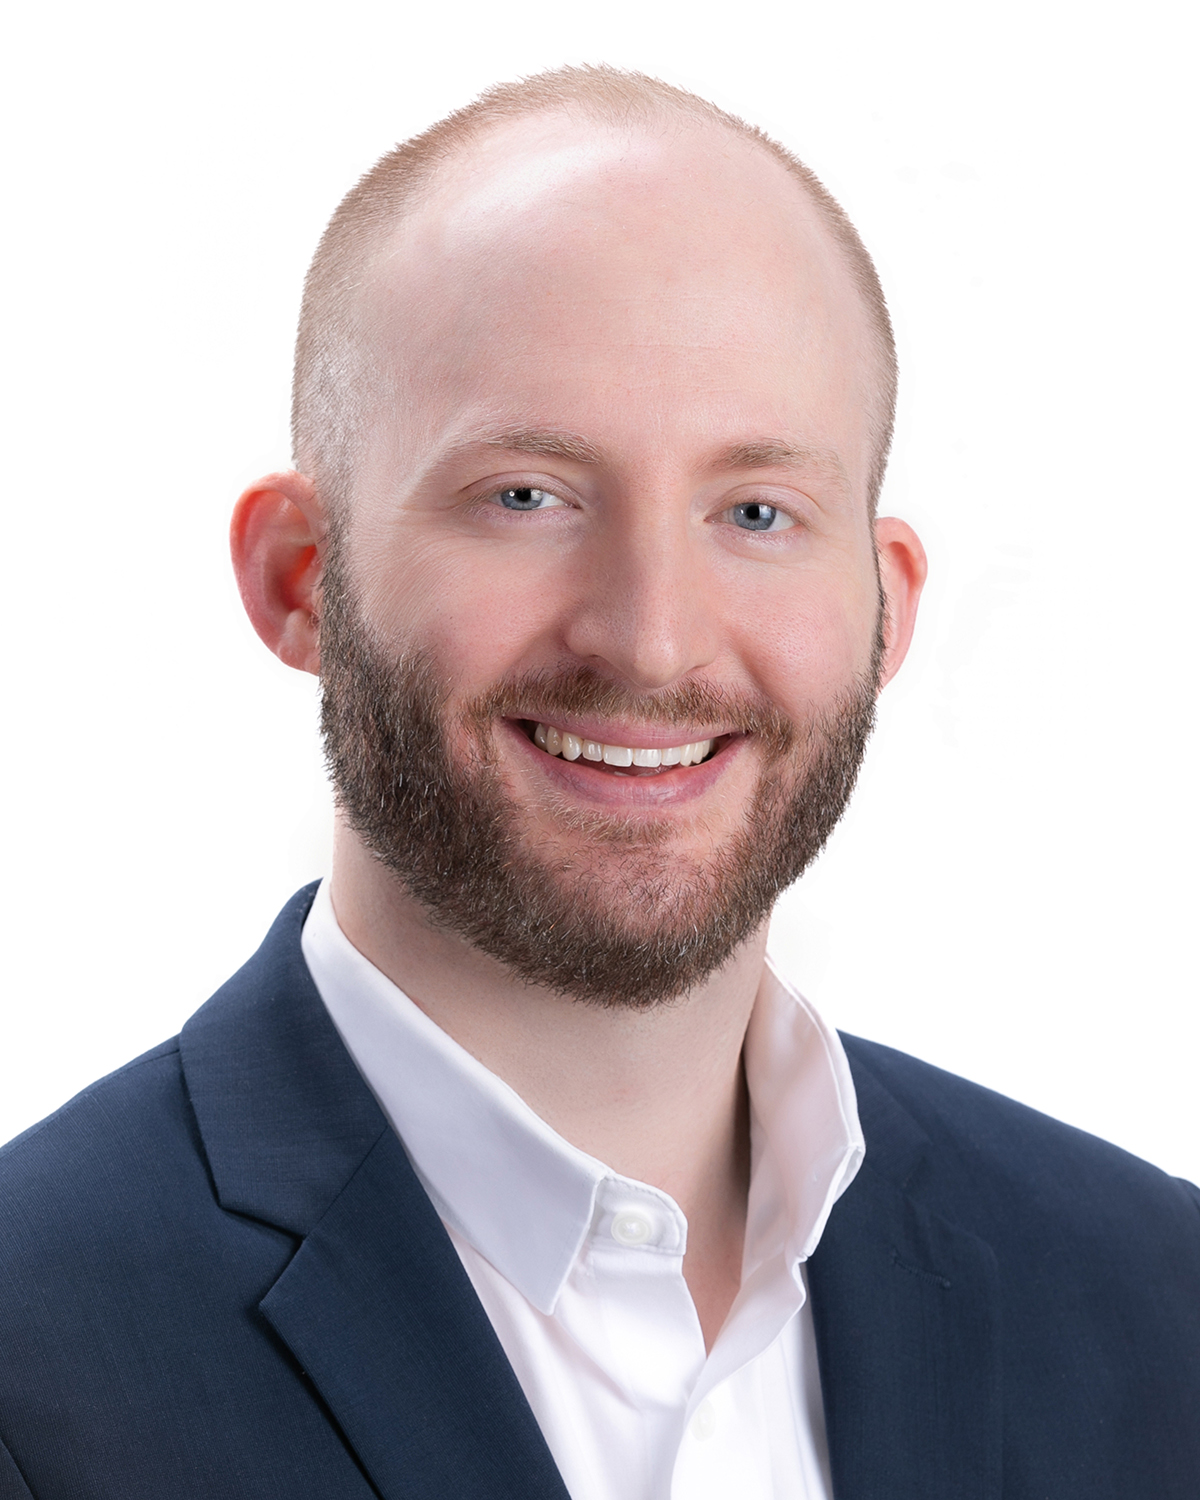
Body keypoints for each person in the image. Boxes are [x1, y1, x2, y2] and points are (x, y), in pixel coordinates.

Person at [0, 64, 1196, 1500]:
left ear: (886, 609)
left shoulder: (1158, 1307)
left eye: (757, 511)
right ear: (300, 577)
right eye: (526, 496)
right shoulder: (32, 1353)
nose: (651, 637)